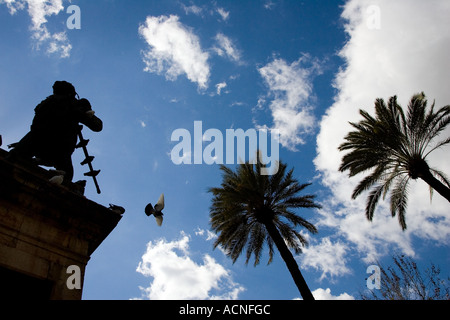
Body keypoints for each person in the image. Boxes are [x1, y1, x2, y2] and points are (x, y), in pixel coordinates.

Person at [9, 81, 102, 182]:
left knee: (12, 158)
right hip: (59, 146)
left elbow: (97, 126)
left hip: (36, 140)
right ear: (71, 93)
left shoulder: (47, 103)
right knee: (66, 177)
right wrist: (87, 112)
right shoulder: (73, 104)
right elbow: (97, 126)